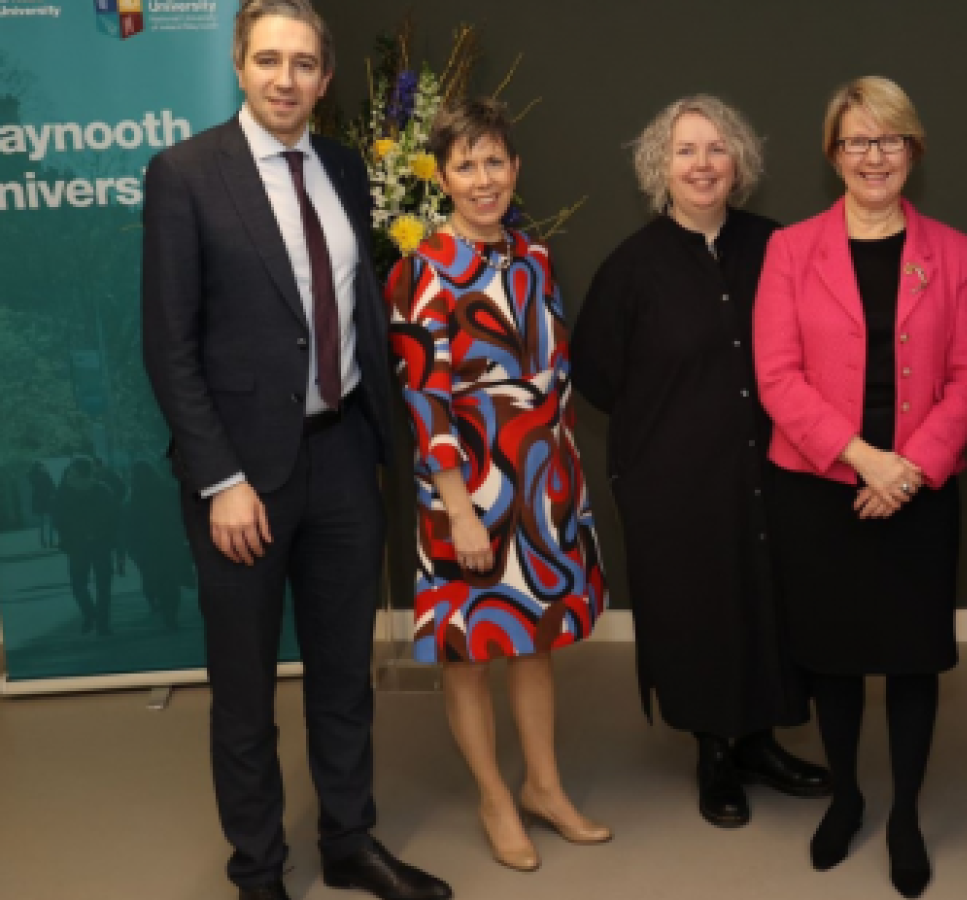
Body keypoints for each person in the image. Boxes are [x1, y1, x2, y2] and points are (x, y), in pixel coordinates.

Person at [140, 3, 451, 898]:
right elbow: (170, 345)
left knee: (344, 676)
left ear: (326, 76)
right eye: (268, 59)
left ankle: (350, 840)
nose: (286, 78)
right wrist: (221, 480)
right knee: (243, 695)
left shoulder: (345, 168)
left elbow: (354, 311)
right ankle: (258, 870)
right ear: (239, 66)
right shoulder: (186, 174)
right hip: (241, 481)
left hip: (345, 459)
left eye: (304, 63)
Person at [752, 76, 967, 899]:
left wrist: (908, 468)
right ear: (833, 155)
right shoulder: (791, 250)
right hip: (821, 487)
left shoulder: (952, 252)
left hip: (919, 487)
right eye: (857, 141)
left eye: (889, 140)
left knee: (914, 657)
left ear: (913, 150)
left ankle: (907, 815)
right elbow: (776, 378)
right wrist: (863, 458)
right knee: (836, 658)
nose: (873, 156)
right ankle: (847, 794)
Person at [570, 95, 830, 829]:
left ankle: (760, 742)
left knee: (767, 603)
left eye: (717, 148)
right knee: (698, 612)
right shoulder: (631, 267)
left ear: (738, 162)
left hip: (774, 469)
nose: (702, 163)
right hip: (674, 480)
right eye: (685, 150)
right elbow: (593, 374)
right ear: (660, 166)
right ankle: (714, 753)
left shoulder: (776, 244)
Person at [387, 97, 610, 873]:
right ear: (441, 178)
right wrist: (460, 513)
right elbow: (426, 399)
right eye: (464, 165)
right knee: (470, 652)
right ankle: (493, 796)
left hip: (542, 489)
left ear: (515, 170)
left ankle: (545, 786)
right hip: (467, 495)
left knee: (535, 643)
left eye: (494, 162)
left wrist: (565, 492)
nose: (482, 179)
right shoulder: (421, 269)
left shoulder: (534, 255)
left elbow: (552, 376)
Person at [53, 456, 117, 636]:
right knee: (103, 586)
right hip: (101, 543)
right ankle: (103, 624)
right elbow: (113, 517)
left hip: (76, 545)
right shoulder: (102, 490)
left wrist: (66, 537)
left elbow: (58, 519)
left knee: (78, 584)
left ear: (76, 471)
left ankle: (90, 613)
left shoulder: (64, 491)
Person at [125, 459, 193, 628]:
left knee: (155, 579)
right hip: (171, 542)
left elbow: (130, 525)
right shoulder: (169, 492)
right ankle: (171, 614)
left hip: (148, 546)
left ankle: (162, 607)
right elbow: (184, 516)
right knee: (171, 580)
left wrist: (131, 547)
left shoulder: (135, 497)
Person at [27, 460, 56, 548]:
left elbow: (52, 486)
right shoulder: (42, 475)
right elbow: (52, 486)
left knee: (45, 522)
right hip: (44, 499)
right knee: (46, 522)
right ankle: (47, 541)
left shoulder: (35, 476)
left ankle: (47, 541)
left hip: (42, 499)